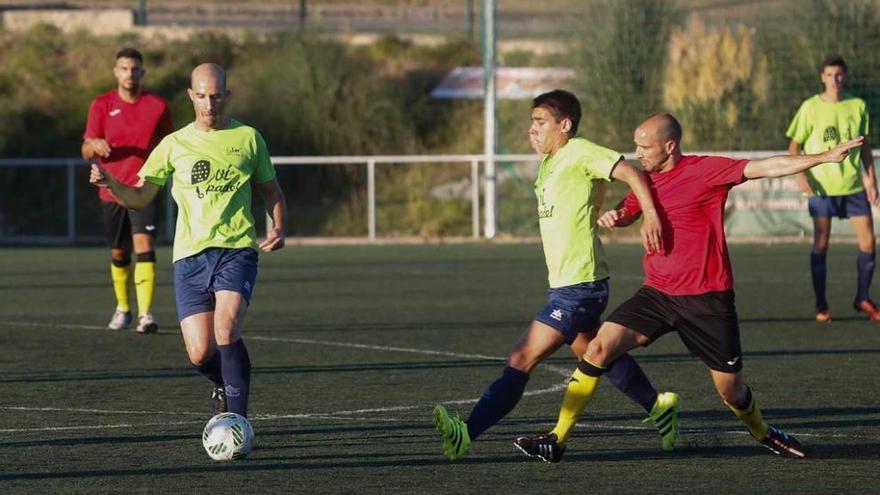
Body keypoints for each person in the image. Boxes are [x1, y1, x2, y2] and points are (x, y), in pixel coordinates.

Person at [513, 113, 864, 462]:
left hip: (707, 300)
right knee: (598, 350)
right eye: (635, 145)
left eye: (645, 147)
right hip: (657, 294)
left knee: (731, 390)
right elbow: (629, 210)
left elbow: (764, 167)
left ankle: (763, 433)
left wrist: (821, 158)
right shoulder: (646, 181)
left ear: (670, 146)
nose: (637, 153)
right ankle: (557, 439)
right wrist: (617, 217)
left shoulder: (705, 170)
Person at [432, 90, 680, 461]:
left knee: (521, 358)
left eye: (540, 122)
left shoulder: (580, 151)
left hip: (580, 286)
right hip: (567, 285)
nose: (532, 130)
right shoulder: (550, 162)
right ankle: (659, 408)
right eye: (532, 122)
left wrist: (650, 214)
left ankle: (465, 434)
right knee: (599, 353)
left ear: (565, 125)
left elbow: (629, 171)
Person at [89, 63, 287, 418]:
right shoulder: (173, 144)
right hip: (189, 257)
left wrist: (278, 226)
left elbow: (270, 189)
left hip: (236, 248)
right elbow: (140, 197)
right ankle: (224, 383)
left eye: (216, 96)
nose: (209, 104)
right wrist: (110, 183)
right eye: (201, 96)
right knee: (199, 353)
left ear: (228, 94)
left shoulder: (248, 138)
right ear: (190, 96)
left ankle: (238, 422)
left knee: (226, 329)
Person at [82, 47, 174, 334]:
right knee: (119, 252)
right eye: (124, 68)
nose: (129, 73)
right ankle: (123, 308)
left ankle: (145, 314)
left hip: (143, 188)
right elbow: (86, 148)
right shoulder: (101, 105)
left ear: (142, 72)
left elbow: (171, 144)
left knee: (144, 244)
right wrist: (94, 146)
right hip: (110, 190)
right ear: (116, 71)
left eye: (134, 69)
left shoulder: (157, 106)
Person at [786, 54, 879, 323]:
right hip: (822, 188)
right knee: (821, 244)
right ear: (822, 77)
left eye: (839, 75)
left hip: (852, 187)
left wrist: (871, 178)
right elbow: (794, 145)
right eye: (829, 75)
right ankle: (821, 304)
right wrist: (800, 173)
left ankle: (863, 297)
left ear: (845, 76)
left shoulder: (857, 105)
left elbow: (865, 145)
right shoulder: (810, 108)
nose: (835, 80)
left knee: (869, 243)